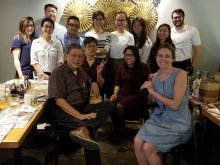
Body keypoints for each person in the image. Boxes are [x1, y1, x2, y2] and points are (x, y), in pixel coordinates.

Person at [48, 43, 115, 164]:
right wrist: (79, 116)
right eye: (73, 55)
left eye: (80, 56)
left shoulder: (81, 72)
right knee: (91, 134)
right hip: (64, 111)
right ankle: (85, 130)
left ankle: (83, 129)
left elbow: (91, 82)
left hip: (82, 107)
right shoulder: (58, 72)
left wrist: (94, 83)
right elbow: (58, 100)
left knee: (108, 105)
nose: (77, 59)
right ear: (66, 56)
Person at [134, 43, 192, 165]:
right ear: (156, 58)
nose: (163, 59)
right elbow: (154, 101)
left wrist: (152, 91)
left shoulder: (180, 74)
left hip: (177, 122)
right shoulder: (155, 76)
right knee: (137, 142)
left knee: (148, 148)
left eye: (167, 56)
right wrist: (149, 92)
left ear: (173, 58)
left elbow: (175, 105)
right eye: (160, 55)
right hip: (159, 118)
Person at [109, 45, 150, 142]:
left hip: (137, 96)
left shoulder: (143, 67)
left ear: (136, 55)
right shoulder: (121, 67)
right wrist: (115, 93)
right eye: (126, 55)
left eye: (131, 55)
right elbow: (117, 83)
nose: (128, 57)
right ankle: (117, 129)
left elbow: (150, 81)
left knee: (119, 106)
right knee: (109, 104)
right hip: (123, 94)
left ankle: (118, 132)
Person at [108, 11, 134, 97]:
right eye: (118, 20)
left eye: (122, 20)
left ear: (126, 22)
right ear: (115, 21)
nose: (120, 22)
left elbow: (131, 53)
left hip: (124, 64)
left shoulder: (130, 36)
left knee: (122, 85)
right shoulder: (110, 35)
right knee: (111, 85)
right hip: (111, 63)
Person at [171, 8, 201, 74]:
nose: (177, 19)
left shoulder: (193, 30)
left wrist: (192, 65)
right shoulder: (170, 31)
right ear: (172, 19)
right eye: (175, 18)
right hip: (171, 64)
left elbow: (197, 50)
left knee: (186, 84)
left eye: (179, 17)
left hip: (185, 64)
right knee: (171, 83)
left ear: (183, 17)